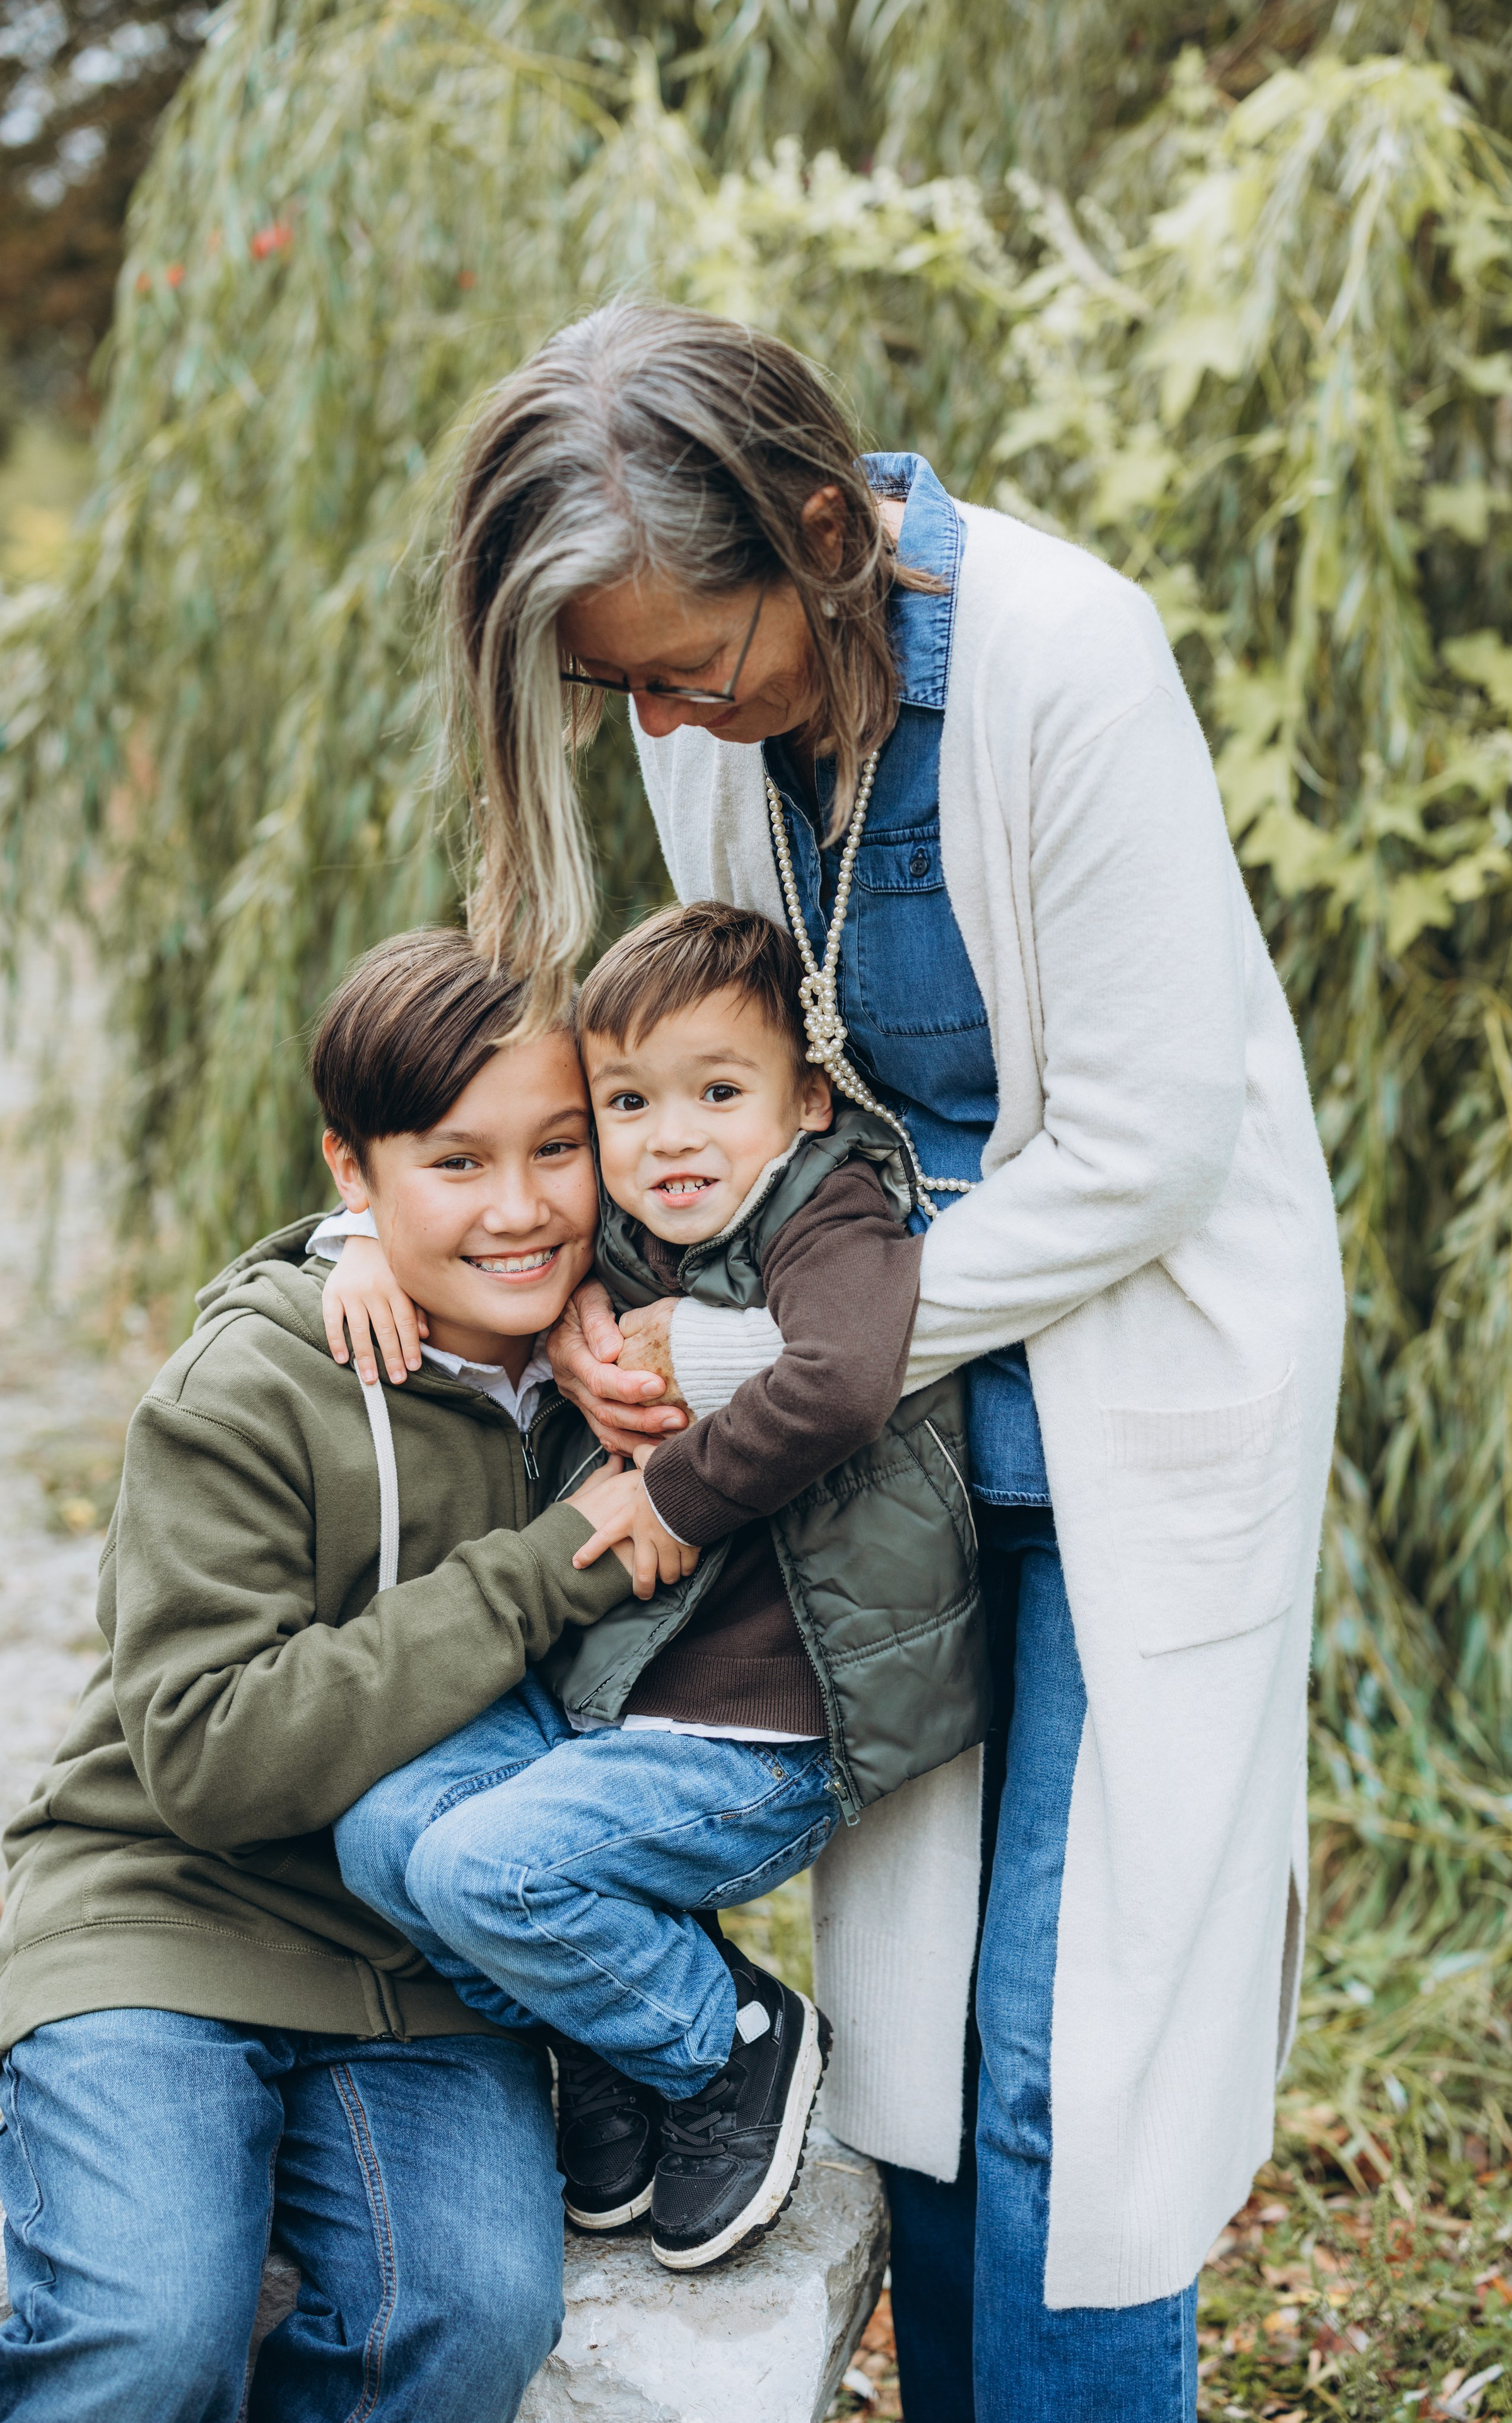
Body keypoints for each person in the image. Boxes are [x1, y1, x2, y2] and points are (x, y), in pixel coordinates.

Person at [330, 298, 1347, 2422]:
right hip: (877, 1452)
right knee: (923, 2051)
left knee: (1081, 2062)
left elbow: (1150, 1156)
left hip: (1125, 1404)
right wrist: (466, 1230)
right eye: (619, 688)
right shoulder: (699, 700)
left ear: (821, 528)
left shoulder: (1071, 662)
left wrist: (762, 1350)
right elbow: (706, 1080)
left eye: (686, 666)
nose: (668, 724)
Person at [0, 929, 657, 2423]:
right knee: (149, 2332)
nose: (521, 1207)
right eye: (455, 1163)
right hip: (163, 1918)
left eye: (559, 1148)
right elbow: (213, 1758)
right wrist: (551, 1558)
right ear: (350, 1173)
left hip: (420, 1968)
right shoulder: (247, 1390)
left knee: (473, 2313)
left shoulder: (618, 1364)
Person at [328, 895, 988, 2272]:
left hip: (762, 1731)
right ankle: (610, 2045)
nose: (670, 1135)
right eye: (626, 1102)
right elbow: (448, 1193)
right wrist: (342, 1249)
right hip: (627, 1713)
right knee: (383, 1832)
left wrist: (663, 1491)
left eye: (717, 1092)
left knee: (483, 1868)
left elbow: (840, 1380)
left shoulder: (830, 1208)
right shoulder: (640, 1224)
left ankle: (725, 2041)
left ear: (805, 1100)